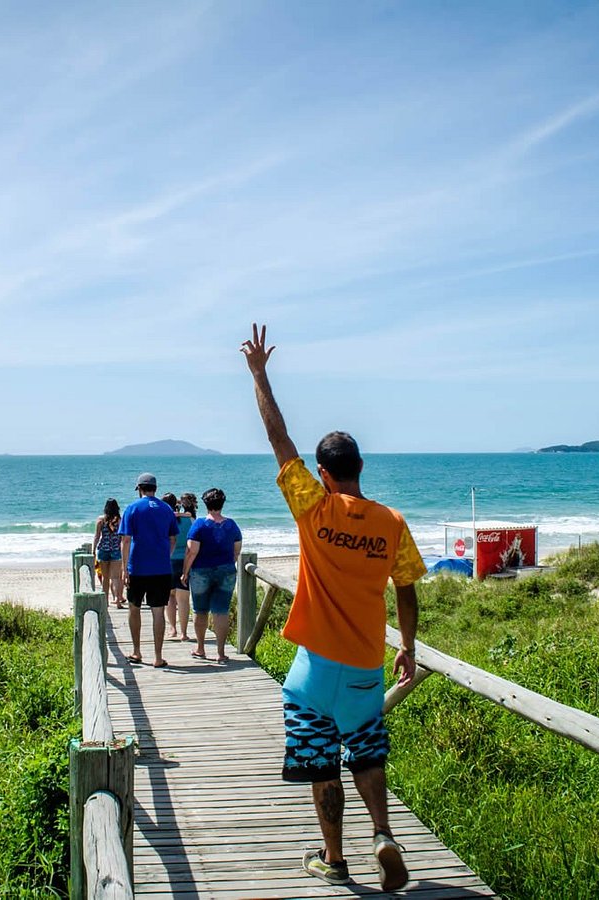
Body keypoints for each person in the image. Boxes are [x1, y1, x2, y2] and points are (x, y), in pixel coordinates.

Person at [241, 323, 426, 892]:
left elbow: (279, 438)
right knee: (367, 754)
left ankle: (334, 858)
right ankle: (384, 835)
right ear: (360, 467)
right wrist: (409, 650)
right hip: (368, 665)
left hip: (313, 670)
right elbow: (407, 588)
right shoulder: (392, 523)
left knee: (321, 765)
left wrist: (259, 375)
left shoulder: (314, 510)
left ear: (323, 473)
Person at [119, 473, 179, 668]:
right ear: (155, 488)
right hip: (161, 568)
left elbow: (126, 540)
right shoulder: (166, 509)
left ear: (139, 489)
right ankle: (158, 656)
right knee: (158, 611)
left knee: (134, 607)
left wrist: (124, 567)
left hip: (137, 567)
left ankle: (137, 651)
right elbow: (173, 539)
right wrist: (165, 556)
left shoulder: (132, 508)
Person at [180, 488, 242, 664]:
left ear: (206, 504)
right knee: (221, 611)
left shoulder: (199, 525)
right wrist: (228, 564)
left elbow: (192, 552)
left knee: (200, 611)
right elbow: (236, 551)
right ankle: (221, 653)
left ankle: (200, 648)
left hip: (201, 571)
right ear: (222, 504)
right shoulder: (232, 525)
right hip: (226, 569)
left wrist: (185, 573)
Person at [162, 492, 196, 640]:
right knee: (183, 599)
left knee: (169, 597)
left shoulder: (163, 520)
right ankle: (184, 633)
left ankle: (172, 629)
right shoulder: (190, 520)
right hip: (185, 562)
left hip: (167, 561)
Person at [93, 499, 125, 609]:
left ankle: (105, 603)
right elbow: (122, 538)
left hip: (103, 550)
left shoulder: (101, 520)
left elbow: (97, 536)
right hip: (116, 550)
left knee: (105, 578)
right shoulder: (120, 520)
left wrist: (93, 550)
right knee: (116, 578)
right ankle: (118, 601)